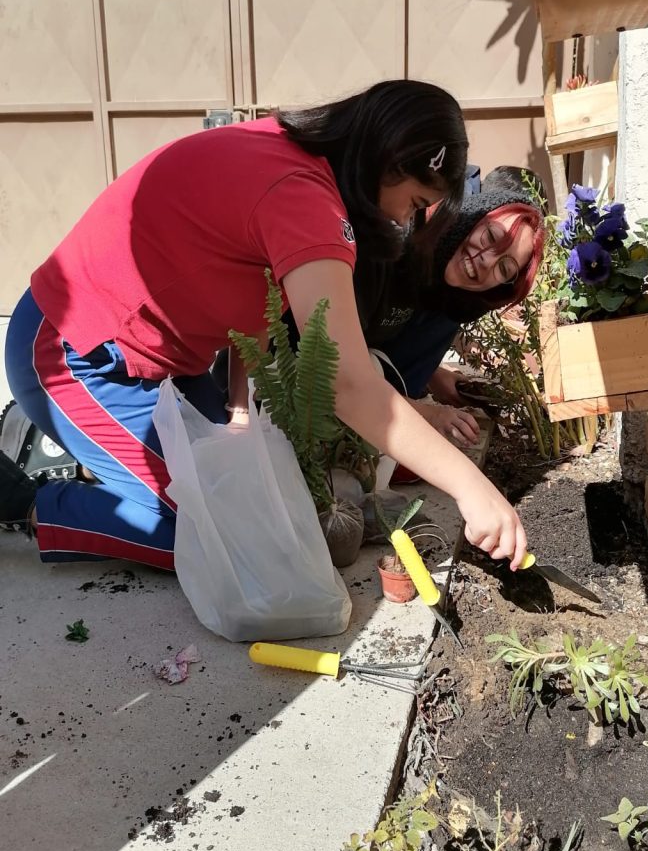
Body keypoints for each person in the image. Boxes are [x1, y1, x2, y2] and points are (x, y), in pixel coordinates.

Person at [1, 80, 527, 571]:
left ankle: (118, 468)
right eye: (414, 203)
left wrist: (237, 412)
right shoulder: (306, 202)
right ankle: (22, 501)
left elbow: (254, 305)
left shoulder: (299, 156)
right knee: (214, 532)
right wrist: (471, 487)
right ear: (389, 164)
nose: (405, 220)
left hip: (161, 364)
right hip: (75, 350)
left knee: (257, 494)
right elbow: (349, 384)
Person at [364, 165, 547, 448]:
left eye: (505, 268)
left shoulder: (458, 300)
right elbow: (340, 374)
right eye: (490, 237)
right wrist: (425, 415)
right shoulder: (393, 246)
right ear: (474, 214)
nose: (487, 260)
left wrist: (434, 376)